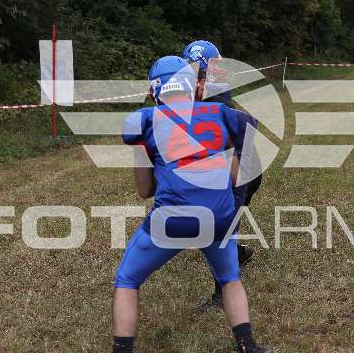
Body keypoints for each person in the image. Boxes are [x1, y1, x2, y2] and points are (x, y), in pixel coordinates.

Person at [112, 56, 272, 353]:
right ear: (193, 85)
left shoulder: (145, 121)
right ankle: (247, 344)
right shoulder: (219, 113)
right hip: (218, 218)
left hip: (173, 219)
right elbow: (237, 176)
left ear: (154, 89)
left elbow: (144, 191)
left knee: (127, 278)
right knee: (230, 278)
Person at [182, 40, 263, 309]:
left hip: (238, 167)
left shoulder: (213, 94)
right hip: (241, 165)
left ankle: (223, 293)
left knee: (219, 227)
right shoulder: (205, 89)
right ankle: (239, 254)